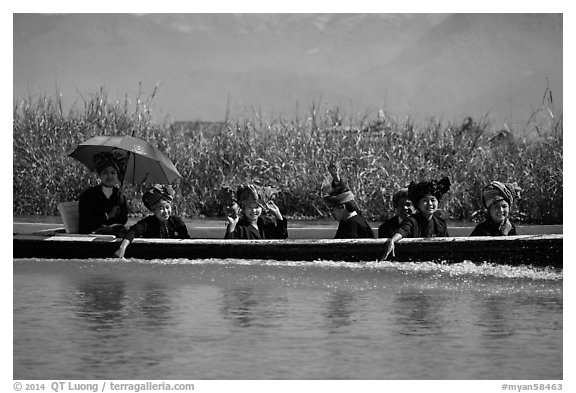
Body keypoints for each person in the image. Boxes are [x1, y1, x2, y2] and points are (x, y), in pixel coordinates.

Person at [382, 177, 451, 260]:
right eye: (425, 201)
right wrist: (392, 240)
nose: (430, 204)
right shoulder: (412, 220)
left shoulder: (441, 223)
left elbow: (447, 245)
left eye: (433, 200)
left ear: (437, 202)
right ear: (418, 204)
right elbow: (403, 230)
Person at [114, 184, 190, 258]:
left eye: (167, 207)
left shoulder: (177, 222)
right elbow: (133, 232)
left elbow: (186, 240)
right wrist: (122, 248)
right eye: (161, 208)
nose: (166, 211)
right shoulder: (147, 223)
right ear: (153, 209)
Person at [79, 152, 128, 236]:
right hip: (92, 237)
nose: (109, 176)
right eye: (105, 173)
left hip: (114, 236)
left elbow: (122, 221)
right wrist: (107, 216)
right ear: (99, 175)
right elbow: (85, 224)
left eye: (113, 173)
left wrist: (122, 202)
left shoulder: (119, 194)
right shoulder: (88, 195)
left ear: (117, 175)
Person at [322, 163, 374, 239]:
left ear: (342, 207)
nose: (331, 213)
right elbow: (343, 190)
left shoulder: (352, 224)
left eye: (332, 209)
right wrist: (336, 178)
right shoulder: (348, 220)